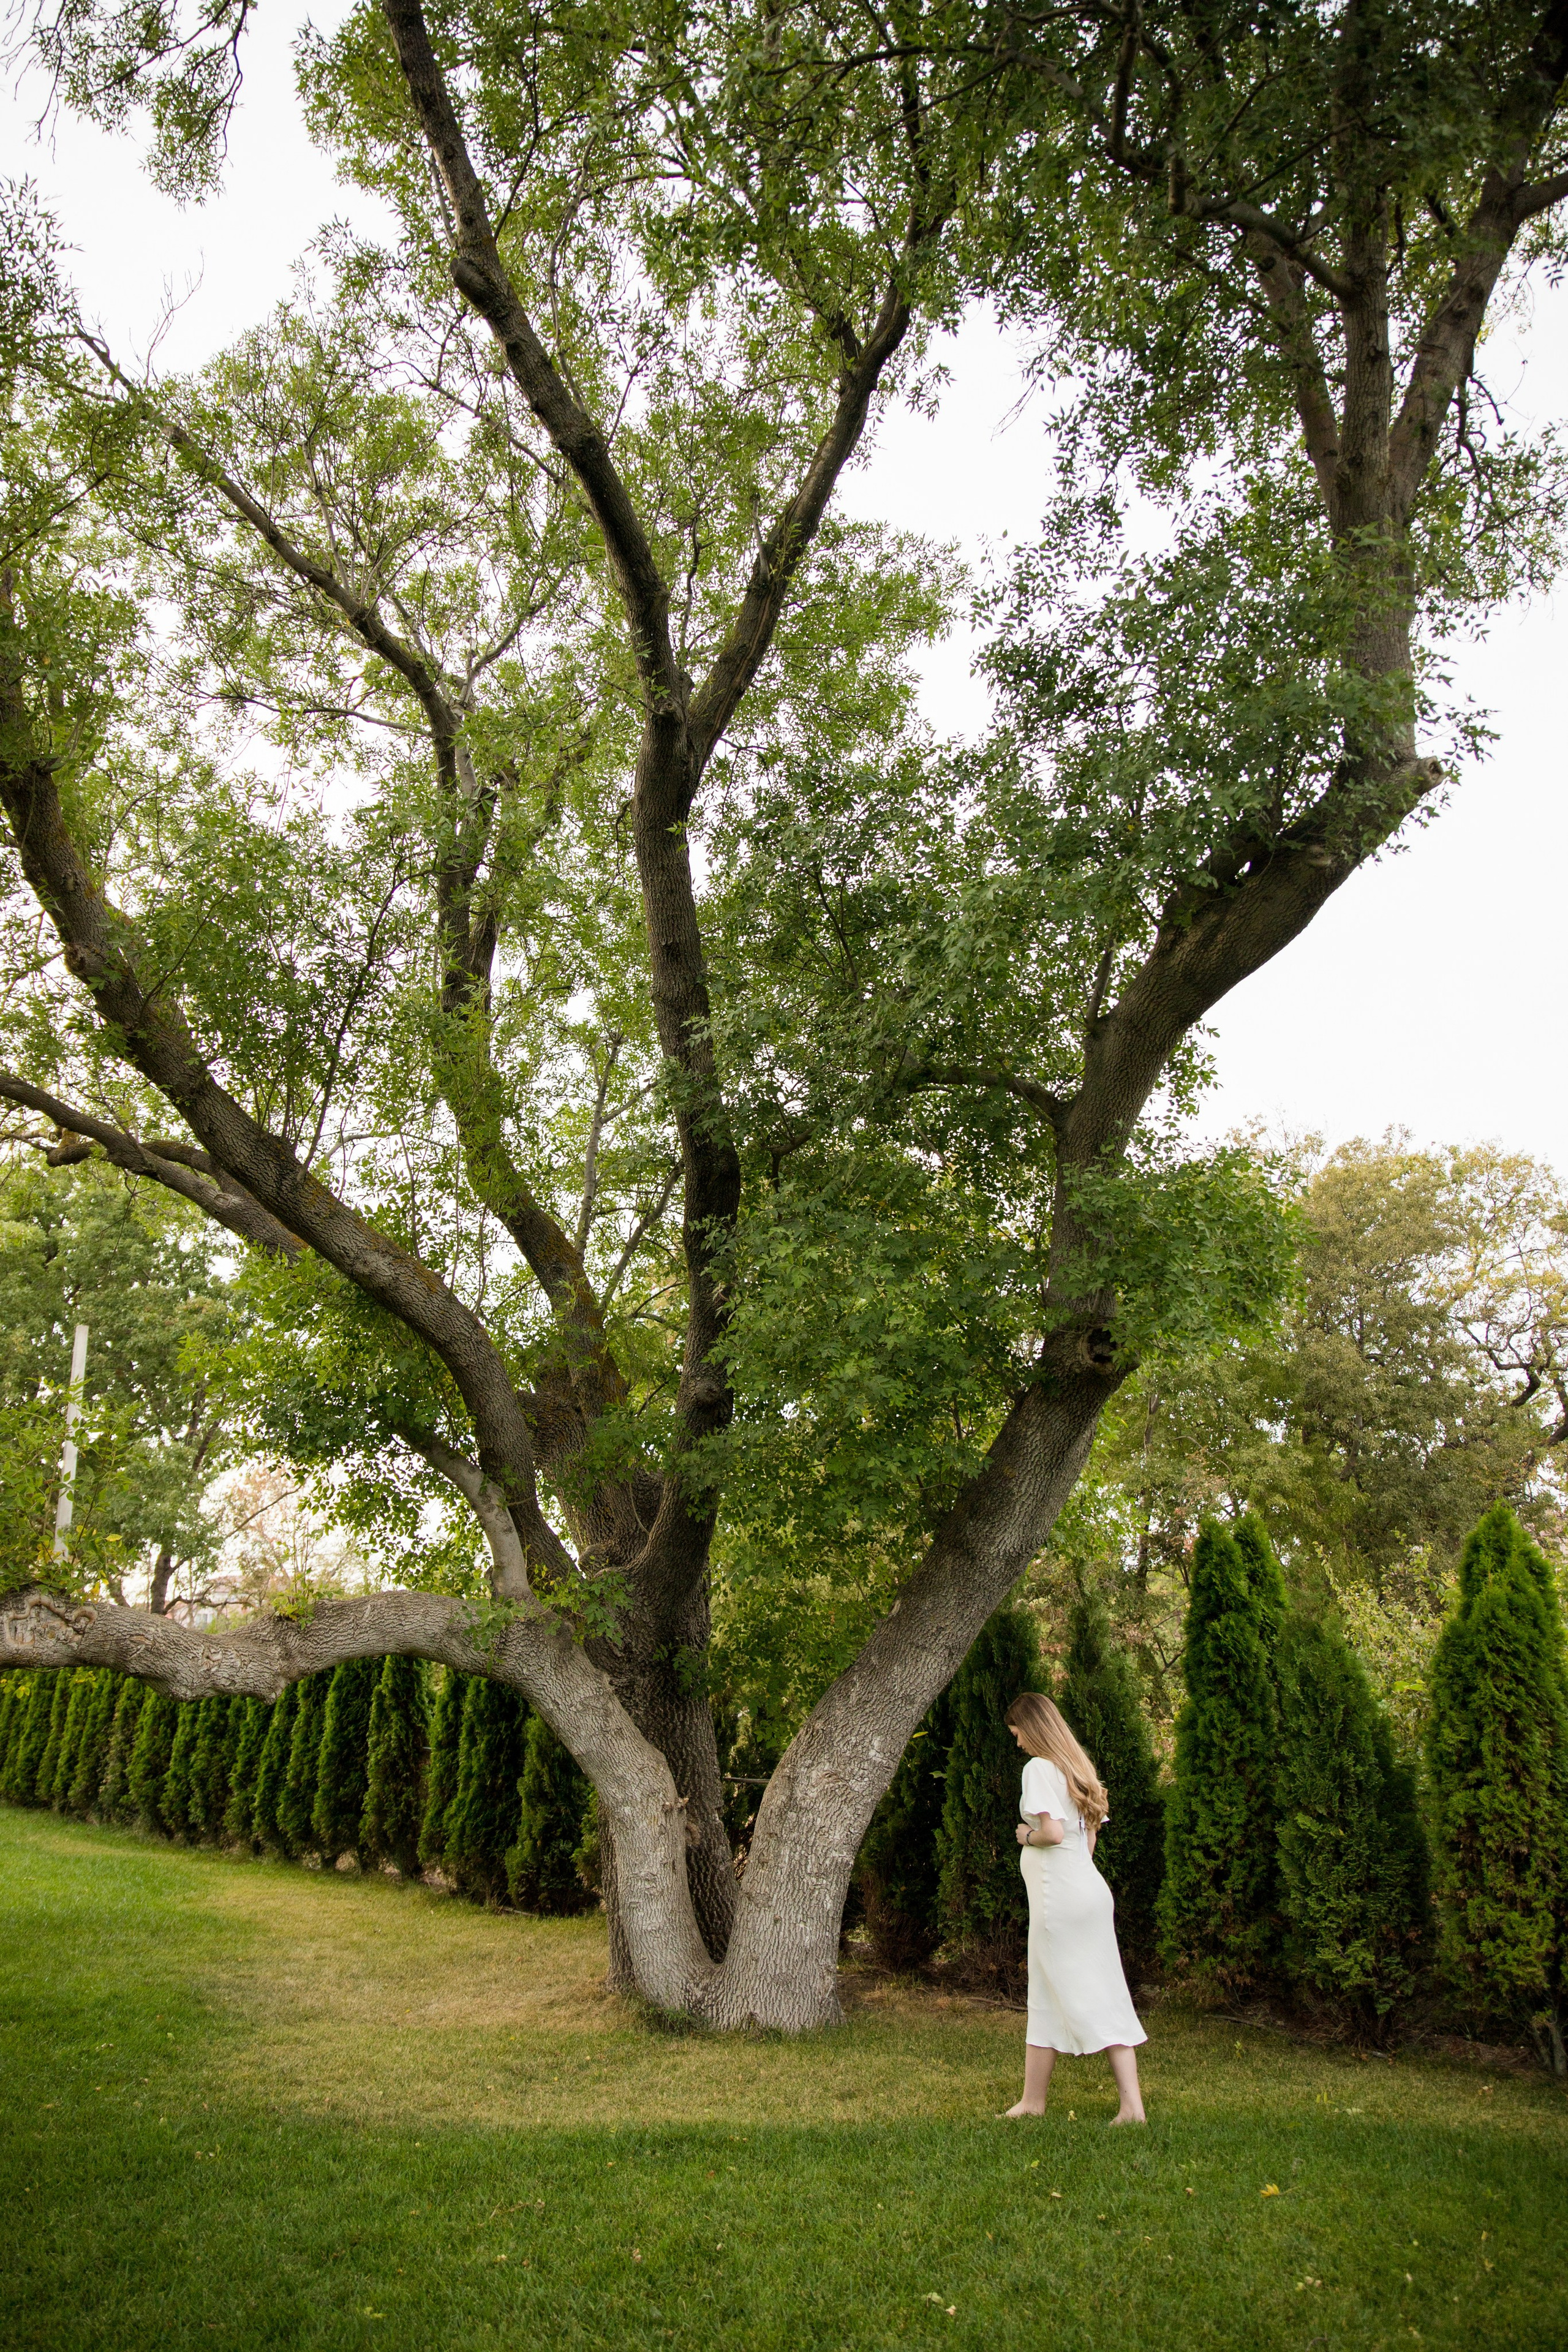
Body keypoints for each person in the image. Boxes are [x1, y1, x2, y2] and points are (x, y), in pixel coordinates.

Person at [1003, 1689, 1147, 2123]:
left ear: (1031, 1728)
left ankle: (1124, 2108)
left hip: (1059, 1900)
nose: (1017, 1743)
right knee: (1062, 1993)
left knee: (1079, 1997)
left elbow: (1050, 1832)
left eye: (1017, 1734)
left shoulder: (1038, 1769)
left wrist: (1024, 1837)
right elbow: (1088, 1838)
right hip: (1089, 1892)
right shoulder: (1076, 1767)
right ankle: (1036, 2102)